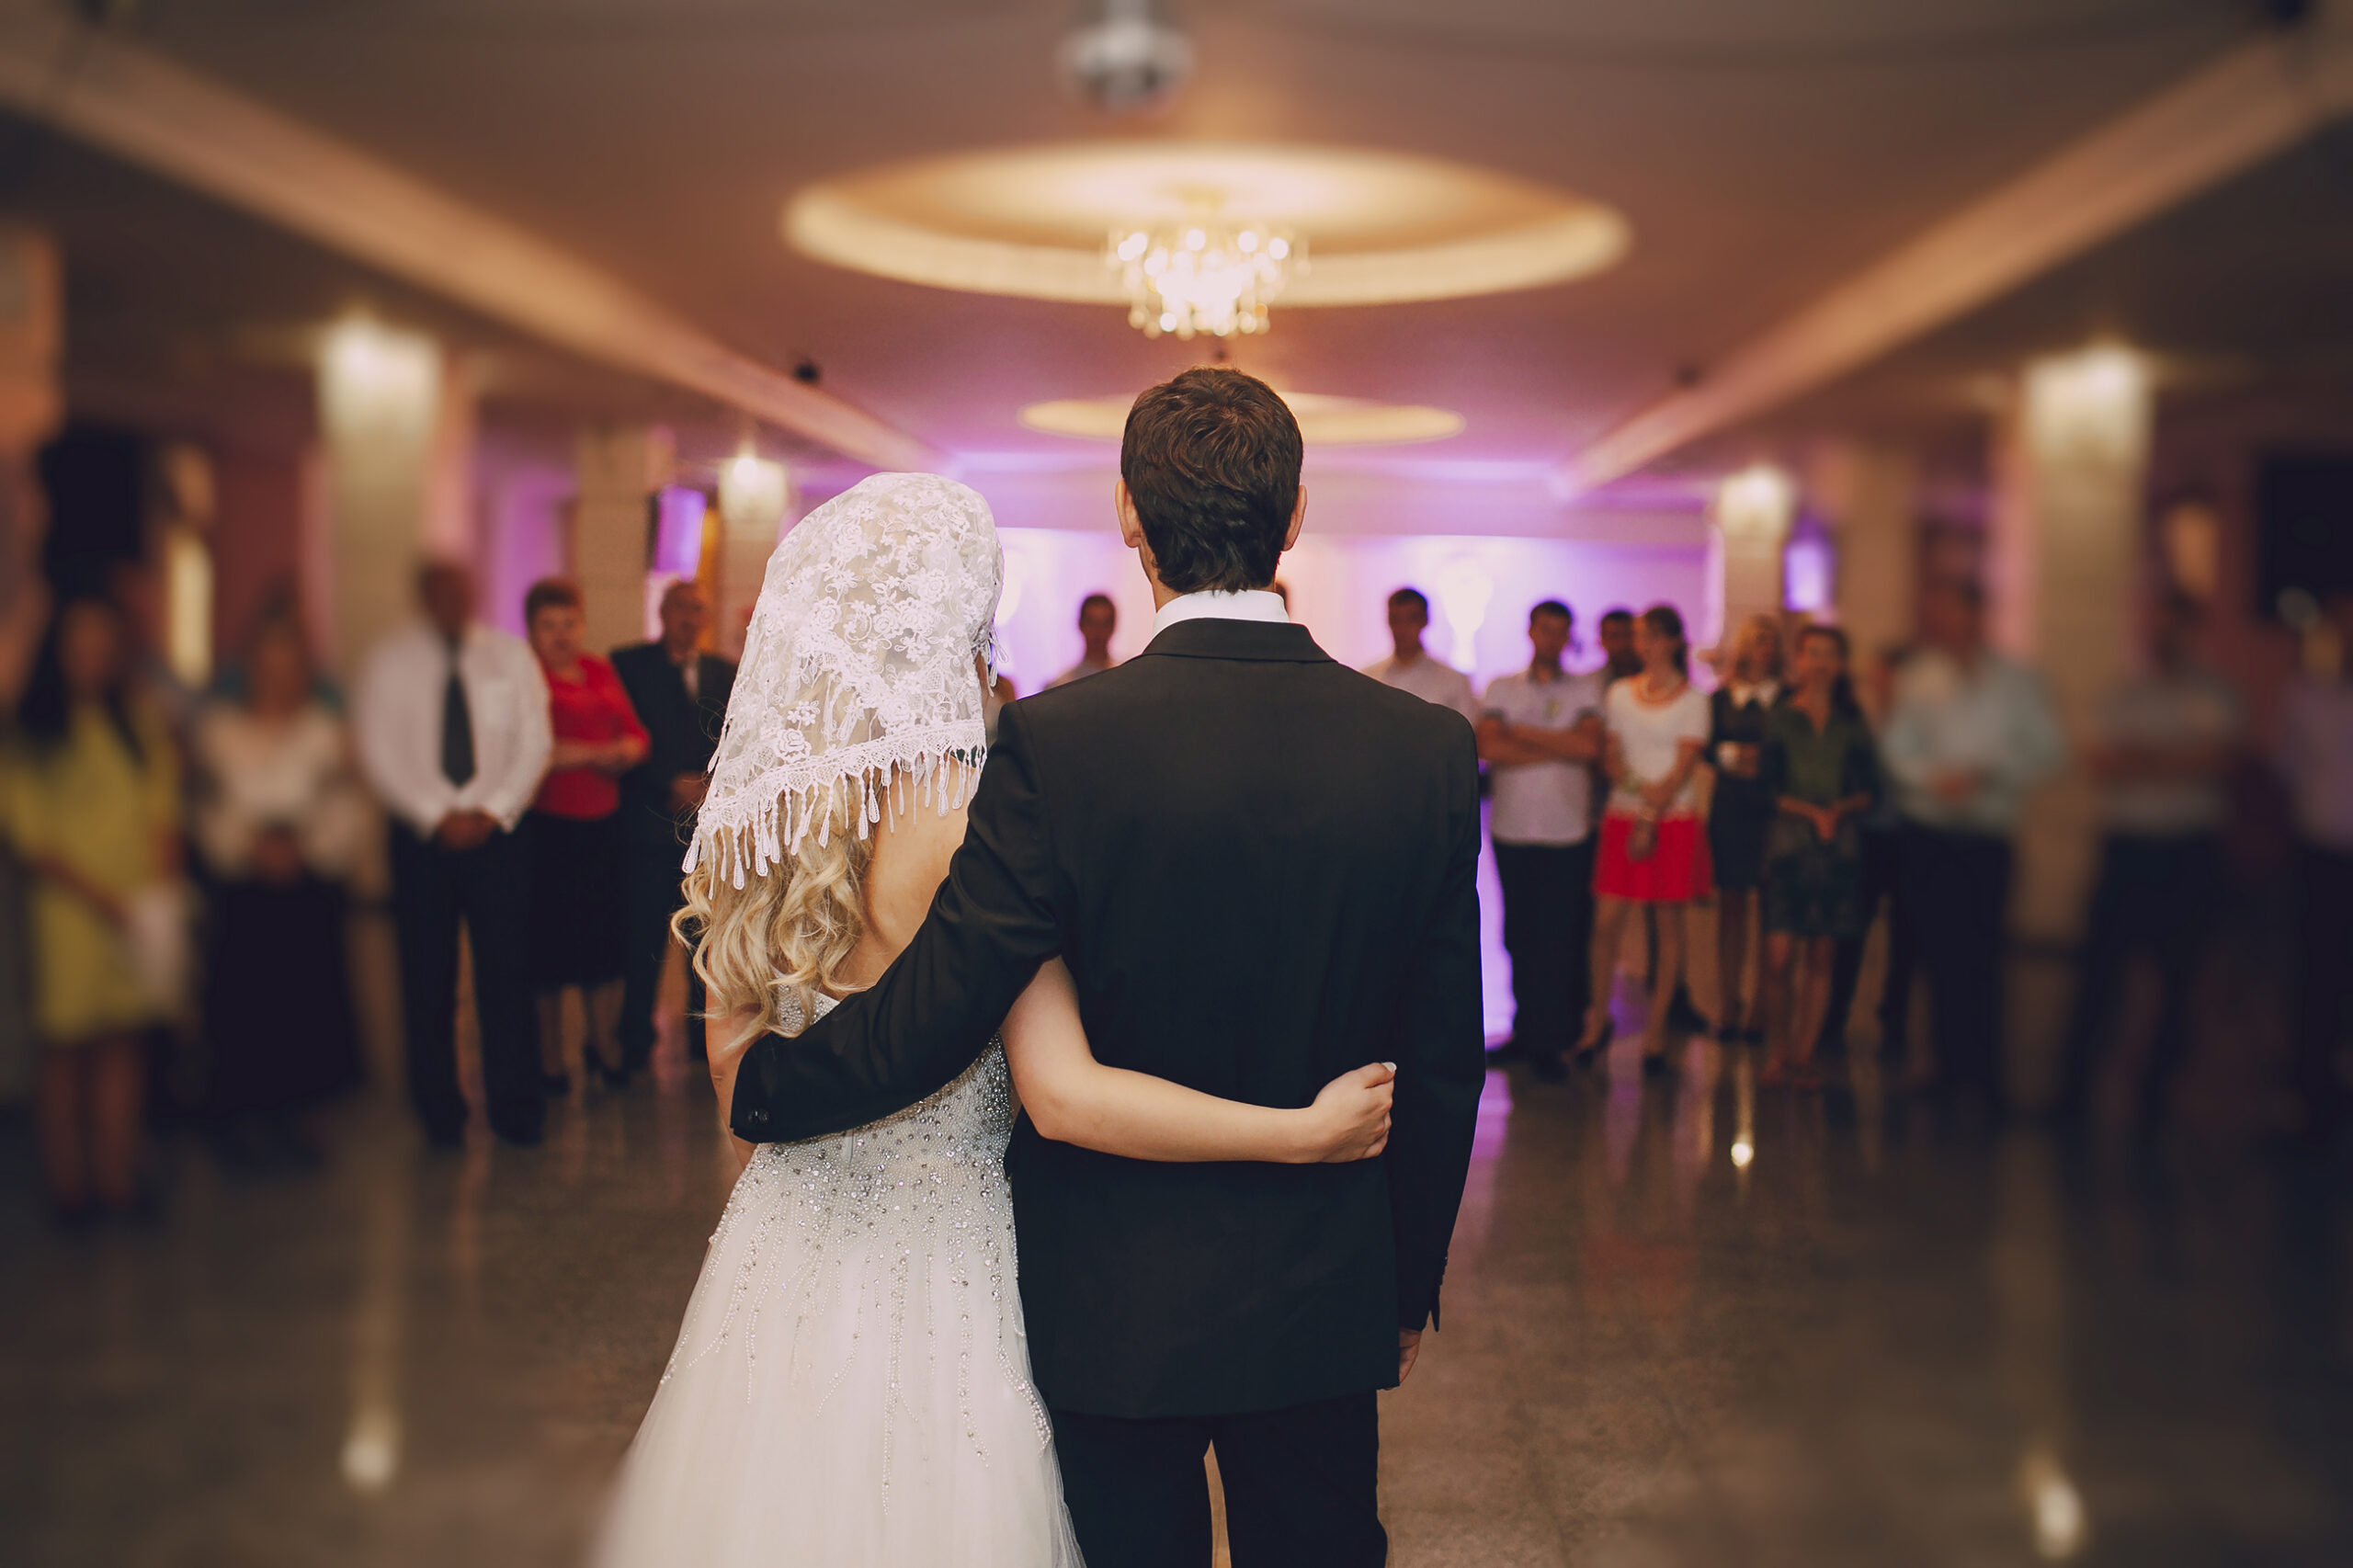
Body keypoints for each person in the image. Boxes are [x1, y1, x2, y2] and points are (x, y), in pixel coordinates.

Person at [713, 369, 1483, 1567]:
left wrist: (769, 1082)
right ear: (1294, 517)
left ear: (1128, 513)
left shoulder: (1059, 744)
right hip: (1322, 1286)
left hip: (1116, 1302)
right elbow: (1446, 1054)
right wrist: (1404, 1284)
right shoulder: (1424, 749)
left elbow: (941, 1002)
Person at [355, 562, 552, 1148]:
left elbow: (534, 739)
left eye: (459, 589)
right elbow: (379, 746)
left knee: (507, 972)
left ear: (472, 593)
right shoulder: (393, 663)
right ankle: (438, 1112)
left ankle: (516, 1108)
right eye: (437, 590)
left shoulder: (508, 657)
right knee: (425, 974)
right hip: (423, 839)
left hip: (500, 835)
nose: (449, 599)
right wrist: (435, 812)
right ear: (422, 597)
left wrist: (491, 809)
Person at [5, 595, 180, 1221]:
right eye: (82, 648)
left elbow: (161, 804)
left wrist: (154, 888)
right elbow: (30, 834)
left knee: (121, 1043)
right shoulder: (34, 732)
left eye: (105, 648)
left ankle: (115, 1178)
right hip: (70, 912)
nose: (94, 661)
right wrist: (103, 898)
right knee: (66, 1049)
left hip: (136, 908)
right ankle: (69, 1186)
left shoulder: (134, 720)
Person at [2051, 592, 2242, 1130]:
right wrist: (2175, 758)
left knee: (2177, 979)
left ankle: (2154, 1098)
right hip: (2127, 847)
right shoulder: (2122, 693)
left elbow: (2218, 759)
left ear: (2191, 631)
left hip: (2188, 851)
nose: (2162, 636)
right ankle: (2073, 1092)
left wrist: (2146, 757)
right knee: (2099, 971)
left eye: (2173, 626)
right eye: (2155, 625)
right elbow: (2102, 760)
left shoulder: (2216, 695)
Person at [1881, 579, 2063, 1112]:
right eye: (1942, 614)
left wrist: (1989, 775)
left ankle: (1983, 1070)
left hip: (1987, 834)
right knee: (1936, 951)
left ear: (1979, 616)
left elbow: (2048, 750)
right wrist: (1934, 779)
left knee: (1983, 952)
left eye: (1958, 612)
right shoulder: (1919, 677)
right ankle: (1938, 1061)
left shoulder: (2018, 682)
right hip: (1930, 831)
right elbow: (1897, 747)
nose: (1948, 624)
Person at [190, 615, 367, 1165]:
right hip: (243, 887)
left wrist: (306, 847)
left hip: (305, 884)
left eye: (289, 668)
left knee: (303, 1007)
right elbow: (205, 808)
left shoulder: (324, 730)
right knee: (244, 1006)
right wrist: (249, 847)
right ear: (250, 671)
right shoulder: (220, 730)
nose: (278, 678)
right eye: (268, 667)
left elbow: (349, 803)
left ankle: (298, 1118)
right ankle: (241, 1119)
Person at [519, 578, 648, 1093]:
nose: (560, 635)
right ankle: (551, 1061)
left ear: (582, 624)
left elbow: (638, 735)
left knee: (602, 945)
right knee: (549, 952)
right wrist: (600, 753)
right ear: (530, 630)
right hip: (549, 830)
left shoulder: (598, 669)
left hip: (603, 829)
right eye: (548, 626)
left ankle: (603, 1046)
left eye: (568, 623)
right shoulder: (526, 677)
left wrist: (626, 752)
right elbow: (539, 754)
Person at [1577, 604, 1711, 1077]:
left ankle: (1656, 1030)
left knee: (1667, 923)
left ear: (1674, 641)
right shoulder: (1619, 693)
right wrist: (1636, 795)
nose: (1643, 644)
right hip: (1623, 815)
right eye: (1640, 636)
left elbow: (1682, 768)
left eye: (1651, 635)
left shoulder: (1694, 700)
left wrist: (1651, 814)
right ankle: (1597, 1021)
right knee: (1606, 921)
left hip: (1671, 820)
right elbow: (1611, 757)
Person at [1476, 600, 1605, 1079]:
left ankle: (1555, 1039)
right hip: (1513, 828)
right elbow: (1488, 746)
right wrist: (1559, 741)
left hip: (1567, 830)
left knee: (1560, 937)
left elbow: (1588, 747)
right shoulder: (1502, 686)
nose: (1550, 638)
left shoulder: (1585, 688)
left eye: (1559, 631)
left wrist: (1522, 733)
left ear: (1567, 636)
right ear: (1531, 631)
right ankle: (1526, 1030)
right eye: (1544, 629)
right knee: (1518, 935)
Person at [611, 581, 733, 1079]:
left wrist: (710, 784)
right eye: (680, 607)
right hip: (647, 825)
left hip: (705, 833)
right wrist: (669, 780)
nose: (689, 617)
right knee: (640, 940)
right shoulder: (628, 666)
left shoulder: (724, 671)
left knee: (702, 942)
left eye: (697, 610)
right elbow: (623, 734)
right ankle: (633, 1043)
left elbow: (735, 736)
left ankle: (699, 1046)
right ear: (662, 611)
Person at [1756, 625, 1880, 1089]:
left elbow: (1869, 789)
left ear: (1841, 663)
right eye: (1812, 654)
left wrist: (1838, 811)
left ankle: (1804, 1054)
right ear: (1800, 660)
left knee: (1822, 954)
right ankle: (1777, 1050)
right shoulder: (1781, 715)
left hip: (1837, 847)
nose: (1820, 663)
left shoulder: (1852, 722)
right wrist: (1809, 812)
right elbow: (1766, 787)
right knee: (1777, 956)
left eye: (1830, 654)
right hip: (1787, 845)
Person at [2277, 589, 2353, 1140]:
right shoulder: (2309, 697)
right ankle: (2312, 1099)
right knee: (2318, 979)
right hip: (2322, 855)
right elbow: (2291, 770)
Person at [1817, 642, 1913, 1061]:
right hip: (1866, 835)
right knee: (1851, 928)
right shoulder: (1861, 720)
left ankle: (1894, 1019)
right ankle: (1836, 1014)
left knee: (1906, 934)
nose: (1879, 681)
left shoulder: (1917, 724)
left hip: (1908, 835)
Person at [1708, 614, 1784, 1043]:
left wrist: (1745, 758)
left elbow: (1784, 755)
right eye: (1758, 641)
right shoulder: (1721, 698)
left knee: (1768, 905)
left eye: (1772, 641)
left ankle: (1761, 1002)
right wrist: (1742, 759)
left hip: (1773, 809)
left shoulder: (1787, 697)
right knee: (1731, 903)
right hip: (1731, 808)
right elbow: (1707, 748)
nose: (1765, 649)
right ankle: (1728, 1000)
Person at [1364, 586, 1481, 722]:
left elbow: (1465, 735)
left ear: (1425, 620)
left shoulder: (1453, 681)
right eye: (1396, 619)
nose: (1402, 628)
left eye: (1410, 619)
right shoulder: (1369, 677)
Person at [1048, 591, 1119, 687]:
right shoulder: (1061, 686)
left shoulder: (1124, 680)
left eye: (1104, 624)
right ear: (1081, 625)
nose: (1098, 631)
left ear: (1113, 626)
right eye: (1091, 623)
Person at [1596, 608, 1643, 687]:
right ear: (1602, 641)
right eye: (1614, 636)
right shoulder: (1594, 684)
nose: (1622, 642)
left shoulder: (1657, 679)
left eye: (1628, 635)